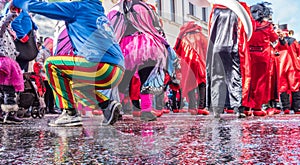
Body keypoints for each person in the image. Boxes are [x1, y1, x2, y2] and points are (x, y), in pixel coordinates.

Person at [11, 0, 125, 126]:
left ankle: (70, 113)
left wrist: (18, 2)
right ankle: (107, 105)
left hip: (100, 67)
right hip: (117, 70)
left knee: (51, 64)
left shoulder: (77, 7)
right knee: (75, 83)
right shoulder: (98, 12)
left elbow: (46, 7)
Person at [108, 0, 174, 121]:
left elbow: (114, 27)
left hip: (128, 46)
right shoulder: (144, 7)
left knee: (123, 80)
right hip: (148, 45)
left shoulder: (120, 7)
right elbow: (154, 27)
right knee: (146, 78)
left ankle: (115, 109)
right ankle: (146, 110)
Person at [206, 0, 253, 118]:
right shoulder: (241, 8)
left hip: (217, 47)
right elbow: (249, 27)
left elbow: (210, 29)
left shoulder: (215, 9)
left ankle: (217, 108)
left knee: (217, 77)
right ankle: (238, 108)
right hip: (233, 46)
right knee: (235, 76)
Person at [248, 2, 280, 116]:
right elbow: (274, 38)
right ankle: (257, 108)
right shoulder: (267, 25)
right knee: (261, 82)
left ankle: (247, 108)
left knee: (248, 80)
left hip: (249, 55)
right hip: (262, 55)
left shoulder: (248, 24)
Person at [174, 21, 209, 116]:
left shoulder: (184, 38)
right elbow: (206, 50)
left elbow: (177, 50)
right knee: (202, 84)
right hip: (200, 62)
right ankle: (201, 107)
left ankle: (192, 107)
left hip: (187, 64)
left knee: (190, 84)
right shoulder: (201, 36)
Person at [0, 11, 24, 124]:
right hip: (5, 63)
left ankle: (4, 114)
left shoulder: (8, 33)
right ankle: (8, 115)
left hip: (7, 61)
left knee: (4, 90)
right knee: (9, 90)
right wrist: (10, 15)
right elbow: (3, 24)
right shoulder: (2, 29)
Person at [34, 37, 60, 114]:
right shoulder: (43, 51)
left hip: (51, 75)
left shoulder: (52, 53)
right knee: (47, 92)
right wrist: (45, 68)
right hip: (44, 75)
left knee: (52, 92)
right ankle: (46, 108)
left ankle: (51, 108)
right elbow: (39, 61)